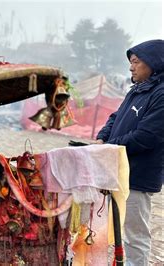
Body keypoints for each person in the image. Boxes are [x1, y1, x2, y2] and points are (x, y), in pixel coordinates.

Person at [95, 39, 163, 265]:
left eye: (136, 62)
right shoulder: (138, 90)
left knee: (136, 235)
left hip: (138, 174)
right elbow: (116, 116)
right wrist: (103, 136)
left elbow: (147, 136)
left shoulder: (161, 94)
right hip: (116, 168)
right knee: (115, 229)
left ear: (154, 63)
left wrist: (110, 146)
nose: (131, 67)